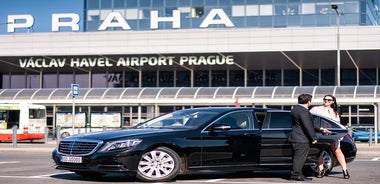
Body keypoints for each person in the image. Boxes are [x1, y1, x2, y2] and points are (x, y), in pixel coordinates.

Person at [310, 94, 350, 179]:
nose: (327, 101)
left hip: (333, 135)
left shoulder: (335, 111)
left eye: (329, 100)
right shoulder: (316, 109)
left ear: (333, 101)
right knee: (319, 152)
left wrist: (339, 135)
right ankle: (321, 170)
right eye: (325, 99)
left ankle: (345, 170)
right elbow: (311, 120)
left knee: (337, 151)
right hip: (320, 133)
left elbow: (337, 124)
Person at [288, 94, 318, 181]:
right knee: (299, 158)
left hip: (295, 137)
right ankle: (296, 175)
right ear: (308, 101)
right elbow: (307, 125)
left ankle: (298, 174)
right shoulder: (303, 111)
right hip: (301, 139)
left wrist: (319, 128)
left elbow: (301, 124)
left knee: (297, 158)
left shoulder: (295, 109)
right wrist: (313, 138)